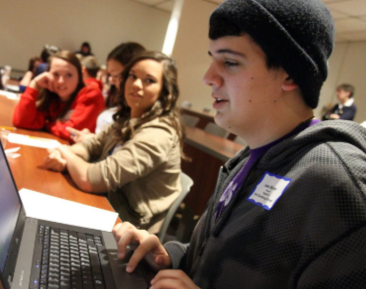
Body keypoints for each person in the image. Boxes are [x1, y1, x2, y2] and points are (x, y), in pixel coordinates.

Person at [112, 1, 366, 288]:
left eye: (230, 62)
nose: (209, 77)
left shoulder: (340, 185)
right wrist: (169, 257)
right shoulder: (250, 158)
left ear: (291, 74)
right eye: (212, 60)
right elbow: (215, 259)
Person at [44, 51, 185, 234]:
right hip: (109, 202)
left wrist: (65, 152)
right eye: (133, 76)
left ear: (164, 90)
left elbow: (90, 179)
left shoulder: (159, 134)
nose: (136, 84)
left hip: (129, 226)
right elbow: (91, 146)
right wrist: (63, 157)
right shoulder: (128, 118)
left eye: (148, 80)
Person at [12, 50, 104, 142]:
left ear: (80, 76)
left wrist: (47, 124)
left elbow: (73, 133)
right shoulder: (51, 95)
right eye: (55, 74)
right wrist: (34, 84)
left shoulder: (91, 93)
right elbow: (21, 121)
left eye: (69, 75)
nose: (61, 81)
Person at [67, 42, 146, 141]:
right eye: (110, 75)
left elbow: (119, 150)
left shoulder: (140, 114)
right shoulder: (122, 104)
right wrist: (93, 139)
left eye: (116, 75)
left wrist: (92, 141)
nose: (111, 80)